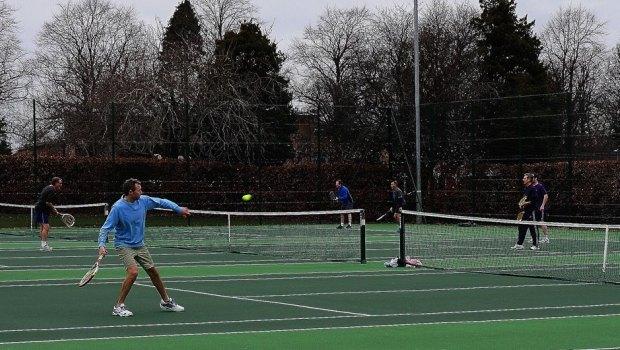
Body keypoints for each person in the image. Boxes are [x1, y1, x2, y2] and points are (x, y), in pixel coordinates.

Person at [98, 178, 191, 317]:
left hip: (139, 244)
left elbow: (162, 201)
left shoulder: (144, 200)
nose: (141, 191)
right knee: (133, 272)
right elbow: (105, 229)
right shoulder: (118, 208)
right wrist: (101, 245)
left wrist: (178, 209)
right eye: (139, 189)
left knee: (153, 272)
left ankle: (166, 301)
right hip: (124, 245)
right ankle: (118, 307)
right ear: (131, 191)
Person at [33, 177, 63, 252]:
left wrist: (53, 210)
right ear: (55, 183)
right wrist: (54, 210)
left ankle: (43, 245)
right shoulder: (51, 190)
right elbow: (47, 202)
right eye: (59, 183)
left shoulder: (49, 188)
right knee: (46, 227)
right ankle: (44, 245)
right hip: (41, 210)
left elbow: (46, 201)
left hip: (42, 209)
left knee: (42, 227)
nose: (61, 185)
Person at [511, 173, 539, 251]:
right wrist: (521, 204)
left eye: (525, 178)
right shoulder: (526, 188)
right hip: (524, 212)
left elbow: (535, 201)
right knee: (521, 227)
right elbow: (525, 199)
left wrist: (525, 203)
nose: (523, 179)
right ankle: (519, 244)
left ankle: (535, 245)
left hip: (532, 211)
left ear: (529, 179)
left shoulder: (533, 189)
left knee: (532, 228)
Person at [532, 174, 550, 243]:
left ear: (536, 178)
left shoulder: (540, 186)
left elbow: (546, 196)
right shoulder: (531, 187)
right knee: (533, 222)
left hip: (540, 208)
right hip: (533, 208)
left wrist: (542, 205)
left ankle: (546, 238)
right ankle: (535, 237)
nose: (531, 179)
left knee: (541, 222)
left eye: (532, 178)